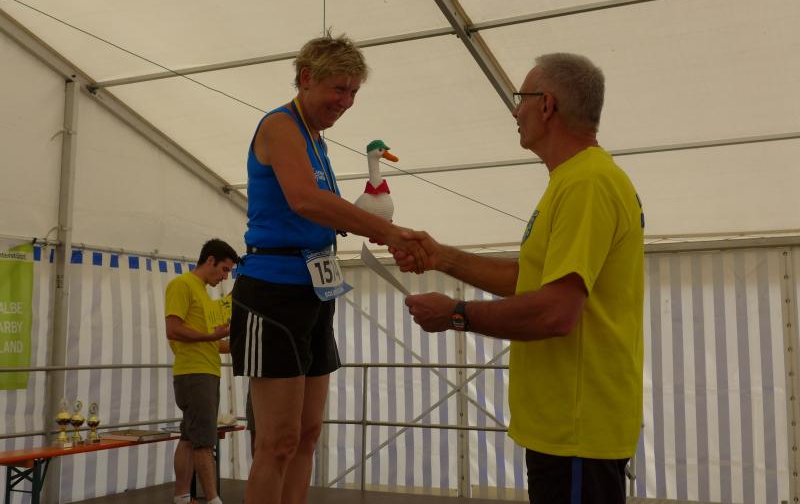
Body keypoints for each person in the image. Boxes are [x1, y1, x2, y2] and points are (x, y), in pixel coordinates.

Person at [393, 53, 645, 504]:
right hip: (565, 428)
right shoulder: (574, 180)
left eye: (520, 98)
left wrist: (455, 315)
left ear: (546, 105)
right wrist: (441, 257)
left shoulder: (586, 184)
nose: (515, 111)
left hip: (576, 430)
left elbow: (555, 312)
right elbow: (531, 280)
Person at [229, 32, 426, 504]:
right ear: (305, 78)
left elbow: (320, 211)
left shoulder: (317, 140)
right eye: (339, 89)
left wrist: (367, 221)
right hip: (273, 293)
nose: (346, 101)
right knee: (276, 442)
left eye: (353, 92)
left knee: (307, 435)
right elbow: (305, 199)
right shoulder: (280, 126)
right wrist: (389, 232)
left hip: (315, 291)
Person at [165, 239, 240, 504]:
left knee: (189, 437)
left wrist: (238, 345)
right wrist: (211, 336)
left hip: (202, 371)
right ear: (210, 260)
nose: (225, 277)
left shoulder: (203, 292)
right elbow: (173, 330)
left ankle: (182, 496)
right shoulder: (182, 285)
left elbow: (210, 342)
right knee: (204, 442)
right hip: (195, 373)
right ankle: (212, 499)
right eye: (224, 269)